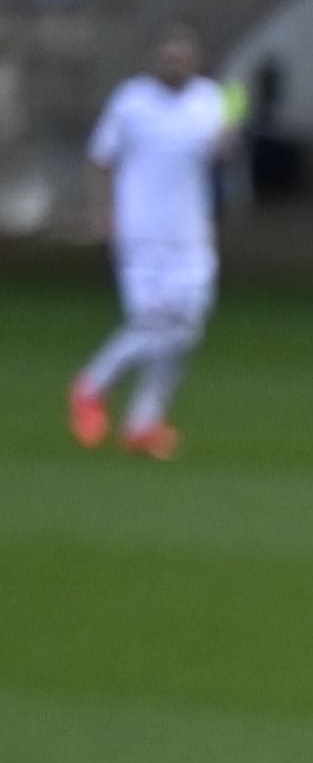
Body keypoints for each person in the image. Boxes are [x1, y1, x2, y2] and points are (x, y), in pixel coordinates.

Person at [66, 25, 231, 459]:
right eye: (167, 57)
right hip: (141, 235)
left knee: (184, 332)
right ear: (154, 60)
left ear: (195, 62)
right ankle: (92, 385)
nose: (174, 63)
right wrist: (101, 214)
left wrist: (229, 139)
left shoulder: (208, 100)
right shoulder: (131, 101)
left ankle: (143, 422)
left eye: (182, 57)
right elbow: (101, 159)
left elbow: (220, 154)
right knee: (155, 325)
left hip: (191, 237)